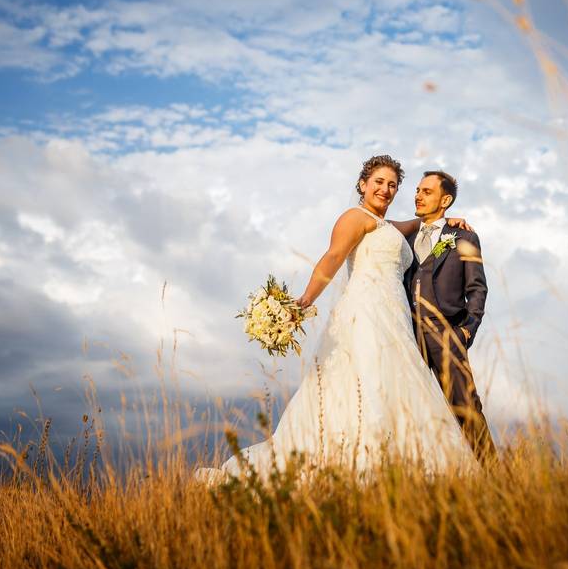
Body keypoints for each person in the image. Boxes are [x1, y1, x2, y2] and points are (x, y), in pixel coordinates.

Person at [195, 155, 477, 484]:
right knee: (365, 382)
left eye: (392, 185)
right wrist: (303, 302)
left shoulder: (388, 226)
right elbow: (332, 258)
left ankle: (400, 471)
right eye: (379, 183)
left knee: (395, 386)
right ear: (362, 184)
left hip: (396, 320)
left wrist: (448, 220)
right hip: (365, 313)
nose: (386, 190)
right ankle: (360, 467)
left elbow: (416, 225)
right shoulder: (354, 217)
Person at [404, 171, 497, 465]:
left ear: (445, 200)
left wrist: (467, 331)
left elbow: (477, 287)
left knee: (466, 406)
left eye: (427, 191)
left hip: (448, 332)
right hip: (405, 332)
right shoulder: (403, 236)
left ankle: (496, 476)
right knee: (408, 406)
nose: (418, 195)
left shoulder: (464, 236)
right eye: (418, 190)